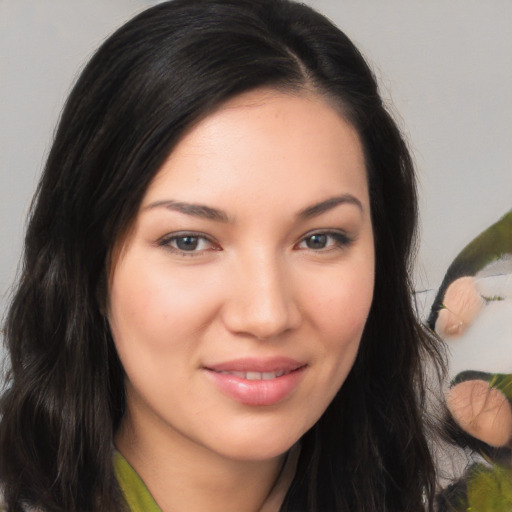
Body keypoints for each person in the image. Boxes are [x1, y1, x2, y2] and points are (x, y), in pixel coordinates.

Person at [0, 0, 444, 510]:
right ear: (91, 266)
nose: (266, 315)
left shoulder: (472, 484)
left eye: (319, 239)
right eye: (189, 241)